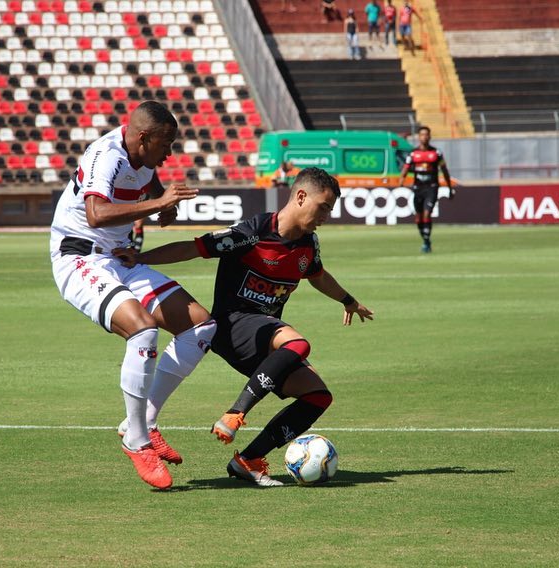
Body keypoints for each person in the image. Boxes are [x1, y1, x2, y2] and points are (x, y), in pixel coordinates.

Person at [114, 167, 374, 487]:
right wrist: (139, 258)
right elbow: (195, 248)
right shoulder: (253, 232)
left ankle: (247, 460)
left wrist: (347, 300)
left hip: (262, 335)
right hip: (232, 324)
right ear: (301, 196)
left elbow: (317, 274)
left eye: (330, 210)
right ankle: (235, 414)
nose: (326, 215)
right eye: (324, 207)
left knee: (317, 396)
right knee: (298, 344)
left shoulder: (309, 244)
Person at [50, 101, 217, 490]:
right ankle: (137, 441)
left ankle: (144, 421)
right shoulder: (104, 156)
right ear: (143, 138)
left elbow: (149, 178)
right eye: (166, 143)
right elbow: (95, 213)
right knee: (143, 331)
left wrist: (163, 207)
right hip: (78, 258)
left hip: (119, 257)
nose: (170, 152)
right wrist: (158, 203)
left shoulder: (142, 156)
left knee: (202, 326)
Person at [399, 126, 455, 253]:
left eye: (426, 134)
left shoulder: (436, 153)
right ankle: (425, 239)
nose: (424, 137)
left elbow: (444, 170)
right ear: (419, 137)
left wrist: (449, 187)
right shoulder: (413, 154)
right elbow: (405, 169)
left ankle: (426, 241)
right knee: (418, 218)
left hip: (432, 187)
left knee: (427, 214)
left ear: (429, 137)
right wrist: (401, 180)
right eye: (422, 134)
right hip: (418, 188)